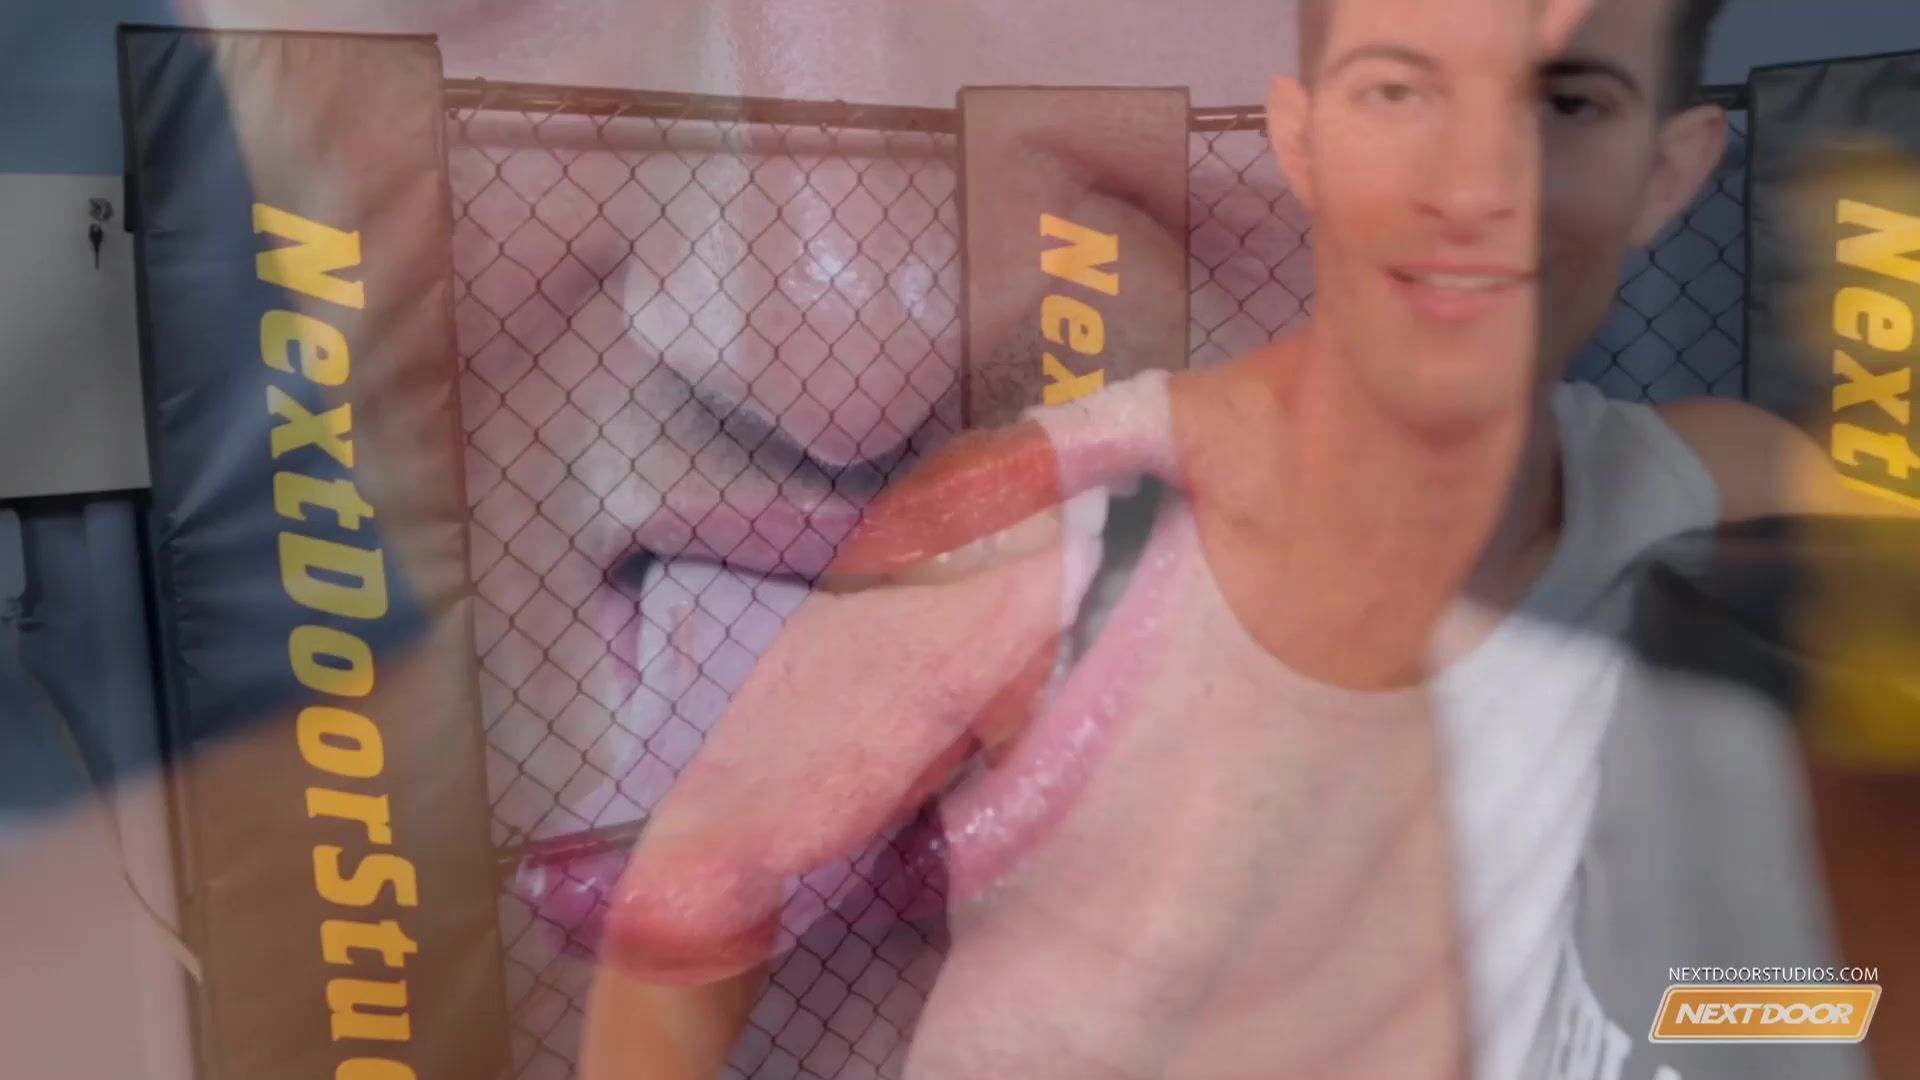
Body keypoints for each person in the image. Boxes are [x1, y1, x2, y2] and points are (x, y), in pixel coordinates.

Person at [581, 0, 1912, 1078]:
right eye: (1401, 93)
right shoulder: (1038, 520)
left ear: (1666, 173)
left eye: (1566, 106)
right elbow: (694, 899)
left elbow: (1808, 980)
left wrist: (1725, 1019)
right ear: (1303, 137)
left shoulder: (1731, 492)